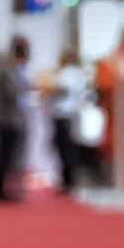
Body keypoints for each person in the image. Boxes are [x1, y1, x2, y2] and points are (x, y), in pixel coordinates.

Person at [0, 37, 30, 202]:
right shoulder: (5, 69)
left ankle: (7, 189)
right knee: (4, 156)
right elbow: (10, 92)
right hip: (6, 119)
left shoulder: (12, 69)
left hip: (11, 118)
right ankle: (1, 191)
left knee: (10, 155)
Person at [49, 49, 92, 193]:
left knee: (64, 149)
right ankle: (71, 179)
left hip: (63, 114)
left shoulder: (65, 73)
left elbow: (61, 89)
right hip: (74, 114)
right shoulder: (80, 74)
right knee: (71, 148)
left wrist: (50, 91)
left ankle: (67, 181)